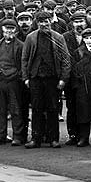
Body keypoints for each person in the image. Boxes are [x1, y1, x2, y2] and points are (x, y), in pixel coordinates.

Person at [22, 13, 68, 148]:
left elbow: (66, 59)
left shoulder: (58, 38)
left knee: (53, 109)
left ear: (50, 22)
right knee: (36, 109)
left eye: (46, 21)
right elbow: (24, 59)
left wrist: (63, 79)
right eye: (41, 22)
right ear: (37, 23)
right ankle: (36, 139)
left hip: (52, 79)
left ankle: (53, 139)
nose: (44, 24)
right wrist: (25, 78)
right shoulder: (31, 38)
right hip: (35, 78)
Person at [0, 17, 28, 145]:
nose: (8, 32)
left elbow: (24, 63)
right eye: (6, 30)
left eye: (11, 29)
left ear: (15, 31)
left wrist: (18, 75)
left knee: (16, 110)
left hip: (14, 82)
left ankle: (17, 137)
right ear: (2, 31)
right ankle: (0, 136)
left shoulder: (21, 45)